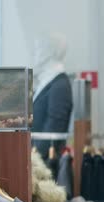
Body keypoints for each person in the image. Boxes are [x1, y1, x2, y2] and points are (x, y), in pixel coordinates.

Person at [32, 32, 73, 160]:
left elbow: (53, 129)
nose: (35, 54)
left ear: (48, 53)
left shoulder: (59, 85)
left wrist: (34, 157)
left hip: (46, 163)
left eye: (38, 49)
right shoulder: (49, 82)